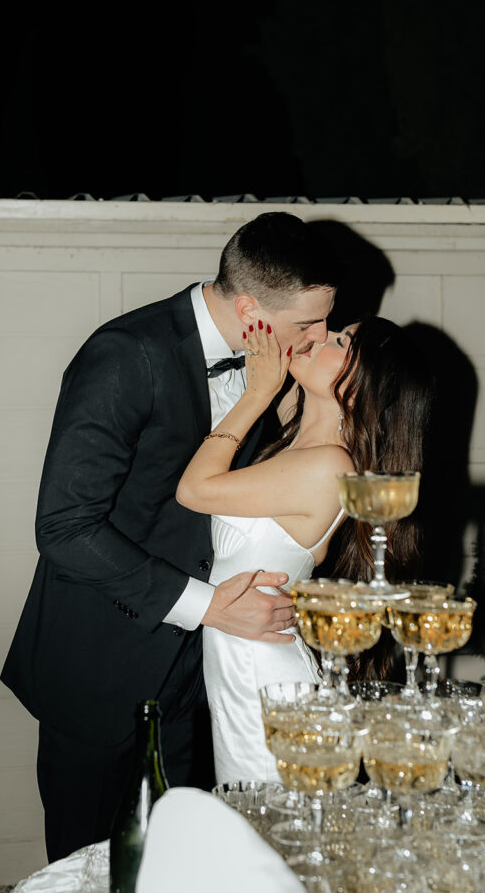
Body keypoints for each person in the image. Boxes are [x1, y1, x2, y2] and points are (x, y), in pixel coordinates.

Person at [0, 212, 336, 862]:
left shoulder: (275, 371)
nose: (319, 336)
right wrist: (208, 606)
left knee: (183, 869)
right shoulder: (125, 357)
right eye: (307, 324)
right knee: (89, 879)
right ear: (250, 309)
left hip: (198, 681)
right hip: (99, 669)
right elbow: (65, 528)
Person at [177, 315, 434, 783]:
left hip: (264, 676)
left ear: (363, 387)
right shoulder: (293, 443)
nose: (319, 338)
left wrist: (256, 394)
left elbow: (194, 490)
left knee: (266, 829)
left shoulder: (328, 465)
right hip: (243, 664)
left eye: (340, 341)